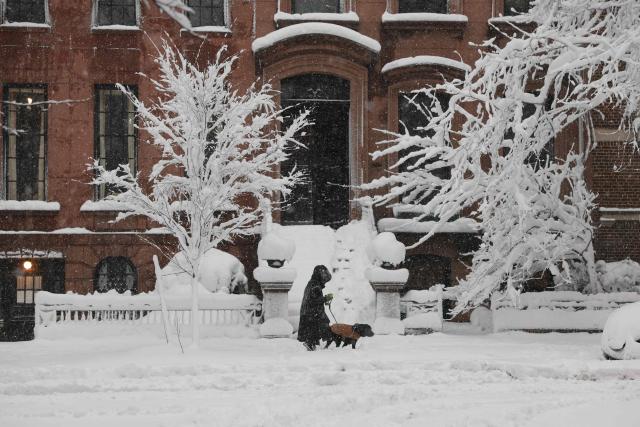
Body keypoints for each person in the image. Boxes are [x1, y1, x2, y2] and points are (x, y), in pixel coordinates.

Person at [297, 265, 332, 351]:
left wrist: (323, 299)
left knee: (315, 329)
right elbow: (313, 301)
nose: (325, 281)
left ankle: (312, 344)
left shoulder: (313, 283)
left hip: (309, 313)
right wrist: (325, 299)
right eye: (324, 278)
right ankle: (313, 344)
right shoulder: (315, 285)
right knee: (320, 326)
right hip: (312, 313)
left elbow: (313, 299)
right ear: (320, 276)